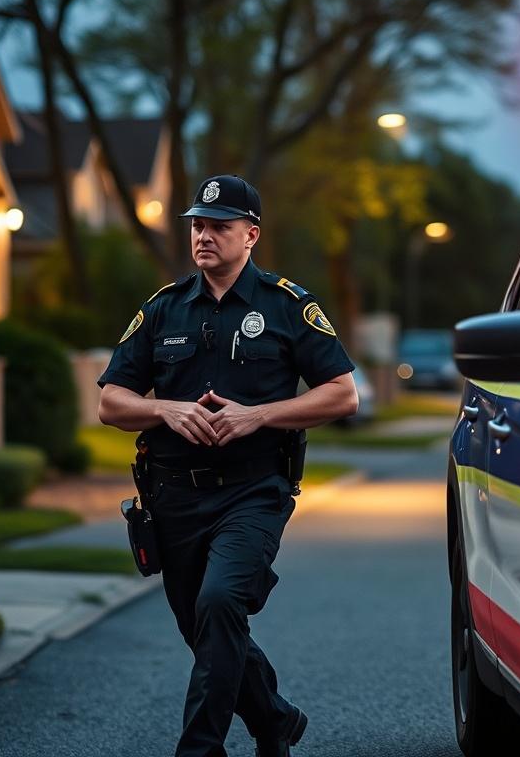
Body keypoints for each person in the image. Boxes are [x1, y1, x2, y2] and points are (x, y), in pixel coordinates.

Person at [97, 174, 358, 757]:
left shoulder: (289, 306)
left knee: (219, 603)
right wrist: (163, 409)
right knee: (203, 626)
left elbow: (343, 394)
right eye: (197, 225)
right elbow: (110, 402)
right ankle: (274, 720)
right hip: (173, 498)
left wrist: (257, 416)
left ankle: (199, 749)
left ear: (251, 235)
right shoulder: (163, 309)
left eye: (219, 226)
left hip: (254, 491)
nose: (204, 236)